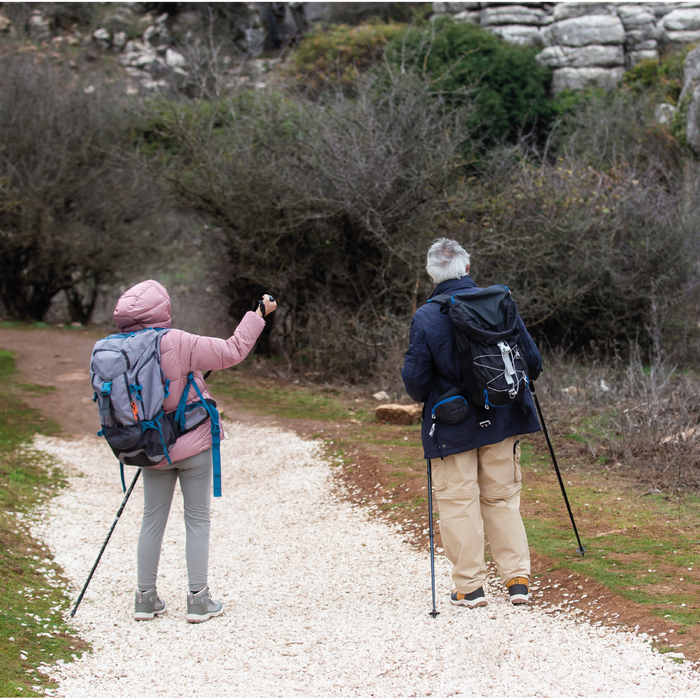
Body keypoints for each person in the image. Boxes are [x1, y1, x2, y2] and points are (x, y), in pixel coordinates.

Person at [112, 280, 276, 623]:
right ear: (162, 310)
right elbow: (233, 349)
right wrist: (259, 313)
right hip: (192, 447)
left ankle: (145, 598)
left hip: (150, 448)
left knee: (151, 520)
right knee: (197, 519)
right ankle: (198, 600)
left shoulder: (118, 349)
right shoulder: (178, 342)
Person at [401, 239, 542, 608]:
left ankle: (470, 587)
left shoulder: (427, 316)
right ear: (467, 267)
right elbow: (533, 361)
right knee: (502, 498)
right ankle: (517, 581)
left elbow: (415, 385)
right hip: (502, 417)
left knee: (458, 501)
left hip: (452, 424)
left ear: (432, 274)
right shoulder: (499, 303)